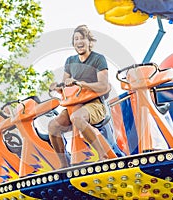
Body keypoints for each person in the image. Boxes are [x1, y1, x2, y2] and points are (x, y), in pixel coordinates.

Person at [48, 25, 110, 168]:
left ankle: (103, 156)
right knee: (53, 126)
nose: (79, 42)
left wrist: (82, 84)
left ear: (89, 41)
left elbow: (103, 86)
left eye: (82, 38)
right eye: (76, 39)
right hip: (74, 104)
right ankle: (64, 165)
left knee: (77, 117)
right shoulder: (70, 61)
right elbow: (65, 86)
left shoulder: (98, 59)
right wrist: (58, 87)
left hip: (94, 104)